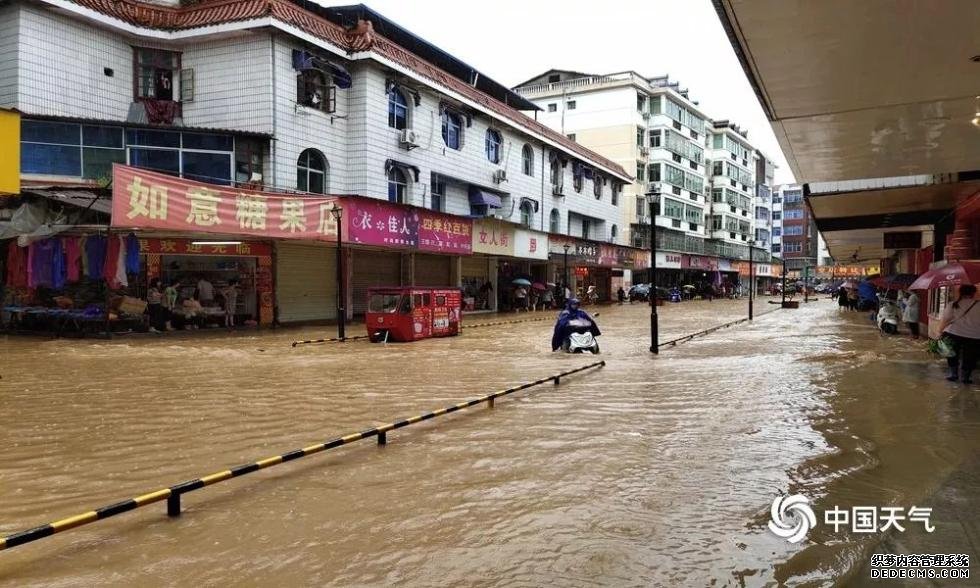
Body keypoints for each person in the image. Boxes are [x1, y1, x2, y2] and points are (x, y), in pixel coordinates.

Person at [939, 284, 980, 383]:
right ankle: (966, 377)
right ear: (974, 293)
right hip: (974, 335)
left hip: (953, 333)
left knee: (952, 354)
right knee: (970, 356)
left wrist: (940, 331)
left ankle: (953, 374)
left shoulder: (953, 304)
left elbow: (945, 320)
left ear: (960, 293)